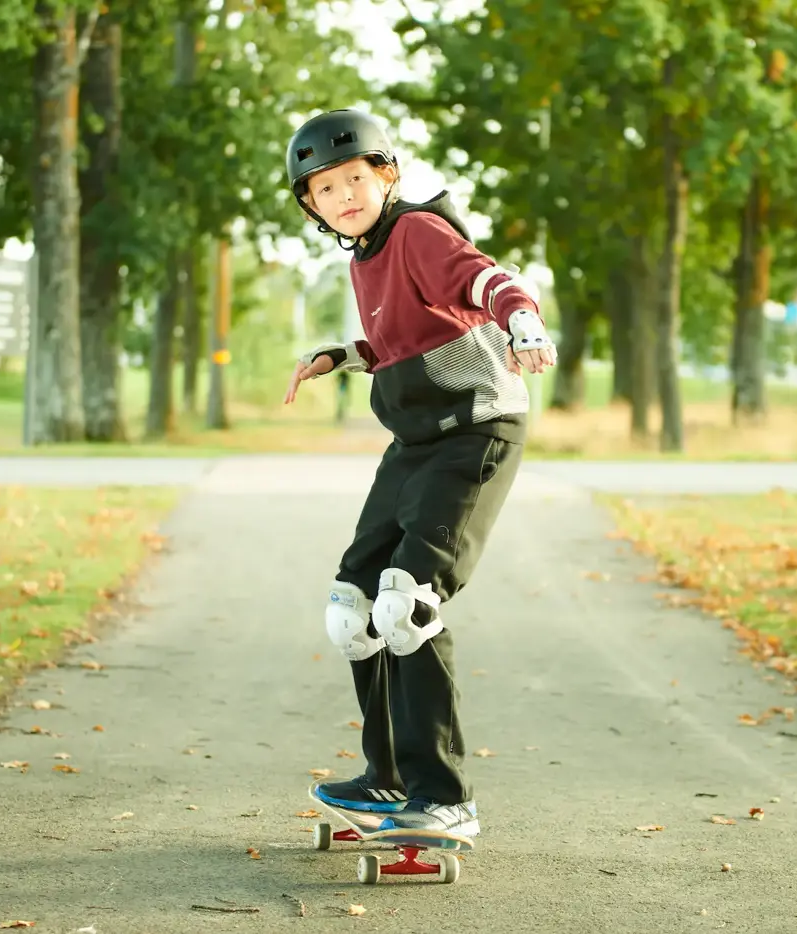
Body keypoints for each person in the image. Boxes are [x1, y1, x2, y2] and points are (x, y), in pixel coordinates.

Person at [282, 108, 556, 837]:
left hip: (475, 433)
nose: (343, 195)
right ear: (311, 206)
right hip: (415, 442)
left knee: (408, 603)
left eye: (355, 179)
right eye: (325, 189)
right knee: (354, 607)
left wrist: (523, 320)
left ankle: (445, 797)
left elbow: (485, 281)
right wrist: (340, 357)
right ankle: (386, 780)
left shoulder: (417, 231)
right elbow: (403, 338)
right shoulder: (364, 257)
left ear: (387, 175)